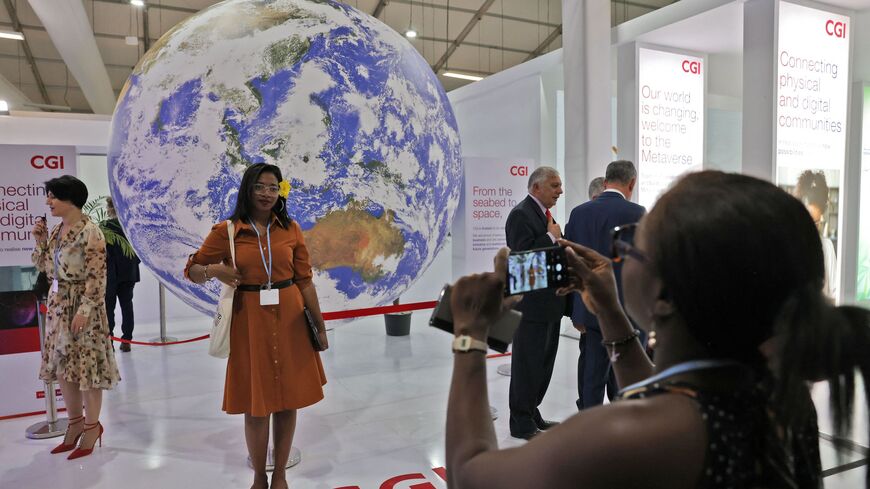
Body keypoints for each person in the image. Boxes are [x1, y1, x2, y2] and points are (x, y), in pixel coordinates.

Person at [444, 171, 870, 488]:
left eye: (631, 241)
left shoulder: (628, 437)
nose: (619, 252)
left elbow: (471, 473)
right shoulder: (779, 396)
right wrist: (611, 311)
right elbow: (666, 394)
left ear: (663, 295)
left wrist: (471, 336)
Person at [184, 163, 328, 489]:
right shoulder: (228, 231)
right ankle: (259, 477)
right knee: (257, 404)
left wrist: (318, 326)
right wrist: (215, 272)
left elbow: (305, 281)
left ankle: (280, 475)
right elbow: (193, 269)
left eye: (273, 187)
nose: (266, 194)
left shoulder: (290, 228)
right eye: (260, 187)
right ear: (248, 189)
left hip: (291, 318)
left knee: (288, 401)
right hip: (249, 321)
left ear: (280, 192)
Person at [31, 175, 120, 460]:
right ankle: (74, 425)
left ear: (70, 199)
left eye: (53, 196)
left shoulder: (90, 232)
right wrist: (41, 242)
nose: (48, 201)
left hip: (84, 309)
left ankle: (92, 428)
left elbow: (98, 277)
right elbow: (47, 269)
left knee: (88, 371)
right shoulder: (57, 230)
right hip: (59, 306)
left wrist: (84, 310)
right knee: (62, 369)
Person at [564, 160, 645, 410]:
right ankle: (622, 424)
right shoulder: (638, 214)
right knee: (625, 371)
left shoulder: (579, 213)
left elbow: (569, 264)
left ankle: (589, 428)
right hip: (625, 312)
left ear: (606, 180)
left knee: (591, 375)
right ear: (631, 183)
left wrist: (575, 312)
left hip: (588, 309)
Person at [504, 166, 568, 440]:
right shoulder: (521, 215)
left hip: (549, 305)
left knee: (543, 364)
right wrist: (551, 237)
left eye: (560, 185)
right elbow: (521, 259)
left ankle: (531, 411)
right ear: (536, 187)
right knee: (527, 364)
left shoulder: (544, 215)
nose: (560, 191)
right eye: (554, 185)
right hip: (531, 308)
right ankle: (520, 421)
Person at [103, 197, 140, 352]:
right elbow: (139, 252)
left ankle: (109, 342)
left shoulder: (104, 227)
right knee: (127, 306)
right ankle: (126, 341)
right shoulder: (130, 226)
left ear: (110, 209)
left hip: (110, 274)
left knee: (108, 308)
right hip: (128, 273)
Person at [794, 170, 838, 299]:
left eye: (816, 222)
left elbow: (834, 292)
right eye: (807, 220)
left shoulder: (827, 246)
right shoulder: (789, 243)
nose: (811, 228)